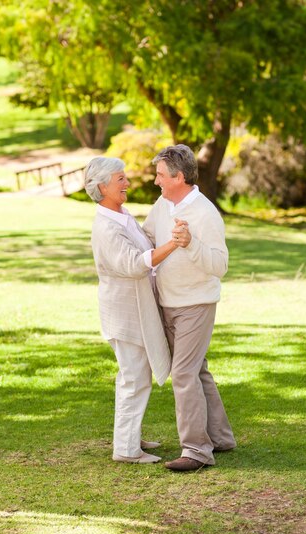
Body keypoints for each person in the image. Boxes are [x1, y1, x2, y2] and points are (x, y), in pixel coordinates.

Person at [143, 144, 236, 471]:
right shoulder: (162, 204)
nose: (156, 181)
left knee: (183, 373)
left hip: (196, 304)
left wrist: (191, 244)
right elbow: (147, 237)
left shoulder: (205, 212)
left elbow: (220, 265)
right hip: (169, 301)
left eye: (160, 175)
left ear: (179, 177)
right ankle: (221, 437)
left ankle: (197, 451)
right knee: (196, 371)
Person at [86, 156, 180, 464]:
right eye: (120, 179)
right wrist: (174, 244)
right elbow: (133, 264)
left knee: (137, 374)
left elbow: (144, 242)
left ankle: (131, 436)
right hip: (124, 314)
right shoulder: (107, 228)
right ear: (103, 187)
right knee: (134, 377)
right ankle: (126, 450)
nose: (127, 183)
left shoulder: (121, 215)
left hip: (135, 310)